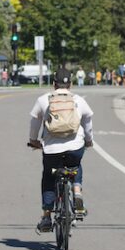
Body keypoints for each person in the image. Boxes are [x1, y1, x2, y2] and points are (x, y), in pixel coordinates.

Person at [28, 68, 94, 233]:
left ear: (53, 84)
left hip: (51, 149)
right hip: (75, 146)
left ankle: (46, 216)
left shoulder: (44, 100)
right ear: (70, 84)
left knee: (49, 178)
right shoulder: (78, 100)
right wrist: (88, 140)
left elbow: (34, 122)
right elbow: (88, 120)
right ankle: (77, 192)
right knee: (75, 166)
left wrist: (33, 141)